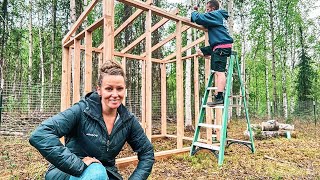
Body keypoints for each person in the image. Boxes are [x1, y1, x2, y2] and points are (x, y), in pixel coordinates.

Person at [29, 60, 155, 180]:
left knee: (99, 172)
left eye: (120, 88)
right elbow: (41, 134)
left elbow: (147, 153)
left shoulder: (127, 120)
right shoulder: (82, 110)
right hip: (67, 172)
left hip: (105, 172)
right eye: (109, 89)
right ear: (99, 90)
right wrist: (78, 164)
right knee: (96, 172)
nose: (115, 94)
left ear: (125, 90)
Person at [191, 0, 233, 105]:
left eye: (208, 10)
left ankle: (219, 97)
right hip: (216, 46)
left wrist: (194, 12)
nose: (206, 12)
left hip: (221, 47)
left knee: (220, 72)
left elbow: (198, 18)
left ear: (213, 9)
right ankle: (213, 57)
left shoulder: (216, 15)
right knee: (199, 51)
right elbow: (203, 21)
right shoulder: (218, 17)